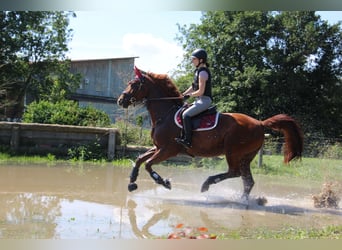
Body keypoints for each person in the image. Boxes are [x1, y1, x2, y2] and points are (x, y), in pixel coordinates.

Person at [175, 48, 213, 148]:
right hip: (199, 100)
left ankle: (188, 140)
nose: (192, 61)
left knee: (186, 115)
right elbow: (193, 87)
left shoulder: (203, 73)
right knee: (183, 111)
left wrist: (189, 96)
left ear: (201, 60)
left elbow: (200, 91)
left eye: (194, 59)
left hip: (205, 100)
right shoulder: (198, 71)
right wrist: (183, 94)